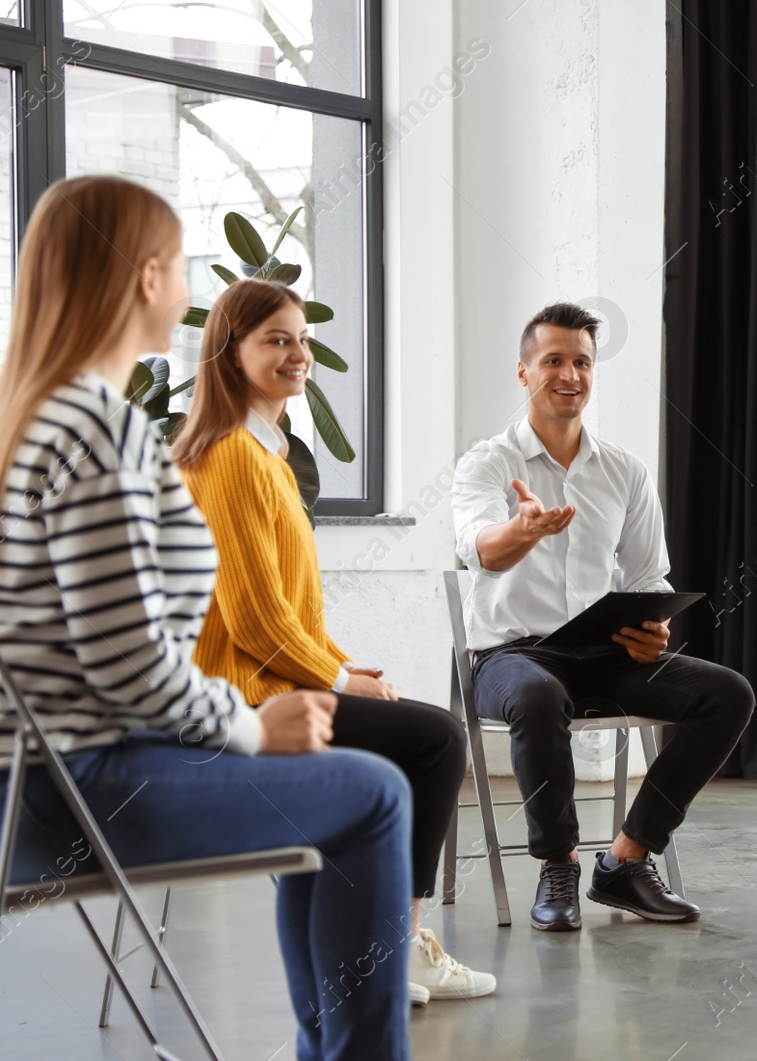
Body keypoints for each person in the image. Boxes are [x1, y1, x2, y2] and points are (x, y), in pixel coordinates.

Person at [0, 175, 411, 1059]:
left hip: (40, 785)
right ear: (145, 278)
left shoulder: (36, 416)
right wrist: (251, 726)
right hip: (74, 795)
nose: (189, 290)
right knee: (375, 791)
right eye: (179, 267)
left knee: (346, 787)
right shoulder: (94, 426)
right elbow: (130, 666)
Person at [169, 278, 492, 1007]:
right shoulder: (226, 456)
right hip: (241, 697)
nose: (298, 353)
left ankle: (378, 946)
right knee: (436, 739)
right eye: (276, 339)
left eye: (302, 338)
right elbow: (253, 620)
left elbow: (289, 608)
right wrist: (339, 682)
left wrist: (339, 666)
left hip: (275, 683)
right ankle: (399, 947)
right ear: (230, 352)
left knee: (408, 736)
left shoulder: (266, 454)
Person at [451, 301, 755, 931]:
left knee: (726, 693)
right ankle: (557, 864)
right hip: (511, 660)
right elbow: (482, 548)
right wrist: (523, 530)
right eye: (553, 361)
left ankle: (625, 860)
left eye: (582, 361)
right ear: (524, 373)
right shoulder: (487, 464)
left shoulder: (624, 471)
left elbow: (649, 577)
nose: (570, 374)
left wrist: (655, 629)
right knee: (537, 695)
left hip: (602, 653)